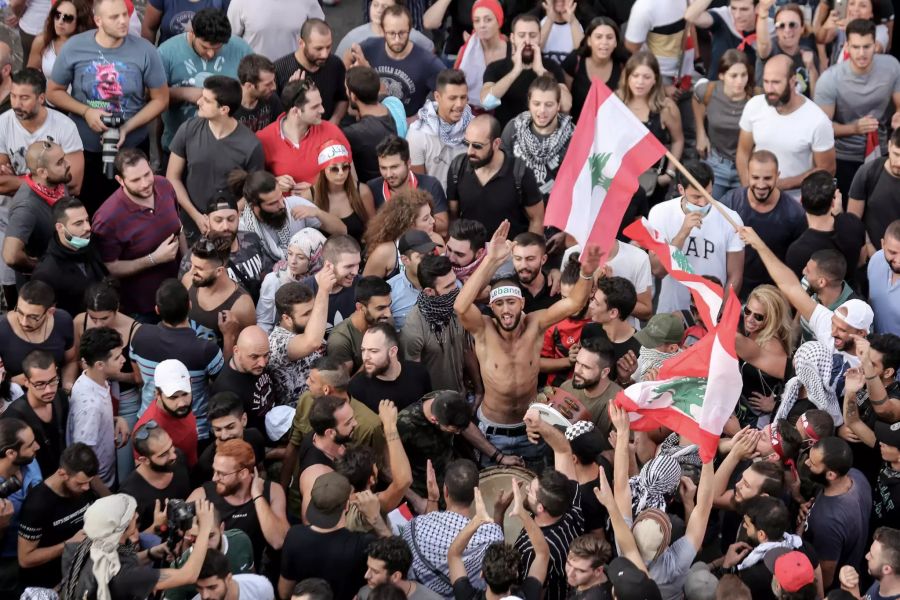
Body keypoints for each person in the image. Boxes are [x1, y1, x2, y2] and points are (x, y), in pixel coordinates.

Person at [454, 220, 601, 467]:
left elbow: (574, 303)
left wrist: (586, 272)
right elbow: (460, 306)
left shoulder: (536, 323)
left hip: (532, 426)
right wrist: (491, 260)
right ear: (491, 308)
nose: (506, 310)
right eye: (499, 304)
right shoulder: (483, 329)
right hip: (494, 433)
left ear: (522, 303)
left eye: (511, 302)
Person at [46, 0, 169, 210]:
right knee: (89, 207)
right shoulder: (75, 47)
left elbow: (161, 99)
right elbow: (53, 92)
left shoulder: (145, 50)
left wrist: (126, 128)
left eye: (125, 15)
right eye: (115, 17)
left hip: (132, 146)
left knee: (134, 207)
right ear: (98, 20)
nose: (123, 21)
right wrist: (86, 112)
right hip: (84, 147)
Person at [0, 68, 83, 299]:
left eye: (24, 97)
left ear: (41, 98)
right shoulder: (3, 123)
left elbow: (73, 183)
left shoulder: (64, 127)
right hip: (9, 215)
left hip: (54, 219)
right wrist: (41, 180)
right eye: (14, 96)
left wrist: (17, 180)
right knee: (12, 278)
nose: (16, 103)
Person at [58, 495, 218, 600]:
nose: (136, 515)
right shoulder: (125, 576)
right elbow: (187, 575)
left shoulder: (84, 544)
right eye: (130, 515)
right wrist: (205, 528)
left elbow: (118, 562)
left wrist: (152, 553)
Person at [167, 76, 265, 242]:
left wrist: (225, 218)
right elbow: (172, 177)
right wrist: (197, 216)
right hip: (191, 223)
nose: (199, 102)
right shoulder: (188, 129)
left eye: (206, 100)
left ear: (224, 110)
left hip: (230, 230)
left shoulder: (251, 145)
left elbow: (253, 191)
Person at [92, 148, 184, 320]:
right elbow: (110, 267)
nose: (145, 183)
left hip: (180, 292)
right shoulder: (107, 218)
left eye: (147, 174)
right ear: (120, 180)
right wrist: (154, 259)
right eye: (135, 180)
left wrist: (187, 265)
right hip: (143, 308)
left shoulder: (164, 185)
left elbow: (179, 226)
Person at [814, 18, 900, 198]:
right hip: (844, 156)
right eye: (855, 47)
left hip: (883, 152)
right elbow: (820, 129)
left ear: (875, 44)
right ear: (847, 46)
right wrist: (853, 128)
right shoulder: (830, 79)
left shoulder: (892, 66)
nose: (861, 53)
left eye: (867, 47)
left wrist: (898, 115)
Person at [130, 279, 224, 442]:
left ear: (157, 310)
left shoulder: (139, 336)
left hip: (149, 432)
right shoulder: (206, 349)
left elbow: (138, 378)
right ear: (189, 305)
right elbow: (222, 388)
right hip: (195, 432)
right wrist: (229, 336)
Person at [648, 160, 745, 313]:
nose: (703, 202)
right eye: (696, 197)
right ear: (681, 189)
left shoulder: (730, 218)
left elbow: (735, 275)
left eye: (708, 195)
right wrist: (683, 233)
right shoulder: (660, 212)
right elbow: (658, 270)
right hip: (671, 312)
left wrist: (722, 312)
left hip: (711, 311)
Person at [737, 54, 836, 199]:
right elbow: (743, 152)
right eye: (766, 81)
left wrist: (781, 184)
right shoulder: (754, 106)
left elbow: (827, 169)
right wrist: (749, 190)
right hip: (755, 200)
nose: (769, 88)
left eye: (776, 82)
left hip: (796, 202)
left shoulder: (817, 120)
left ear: (792, 81)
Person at [402, 459, 505, 597]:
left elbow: (430, 527)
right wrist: (499, 512)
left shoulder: (414, 526)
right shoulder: (491, 534)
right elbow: (498, 562)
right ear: (476, 493)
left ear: (445, 490)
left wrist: (432, 498)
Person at [279, 472, 388, 600]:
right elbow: (397, 558)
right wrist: (376, 518)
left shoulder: (294, 536)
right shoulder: (362, 544)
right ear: (347, 505)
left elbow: (284, 591)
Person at [157, 9, 254, 152]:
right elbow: (151, 97)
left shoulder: (241, 49)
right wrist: (184, 93)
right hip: (180, 147)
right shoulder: (166, 52)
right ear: (192, 33)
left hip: (230, 148)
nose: (210, 54)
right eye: (205, 47)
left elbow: (253, 90)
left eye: (218, 48)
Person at [188, 438, 289, 567]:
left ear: (243, 473)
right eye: (214, 470)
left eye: (222, 474)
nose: (214, 478)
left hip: (256, 571)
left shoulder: (273, 491)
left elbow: (278, 541)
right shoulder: (202, 495)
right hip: (215, 571)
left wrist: (257, 496)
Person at [719, 150, 808, 295]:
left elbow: (798, 267)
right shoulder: (730, 203)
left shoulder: (795, 214)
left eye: (767, 178)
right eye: (755, 177)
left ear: (777, 176)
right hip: (733, 290)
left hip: (772, 295)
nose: (761, 185)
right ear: (747, 174)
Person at [448, 115, 544, 240]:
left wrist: (526, 254)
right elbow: (453, 216)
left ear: (496, 143)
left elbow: (537, 218)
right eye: (467, 143)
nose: (469, 151)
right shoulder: (458, 167)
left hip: (508, 254)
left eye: (477, 146)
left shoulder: (520, 173)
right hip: (469, 254)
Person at [16, 442, 98, 589]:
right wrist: (68, 544)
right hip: (49, 585)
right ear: (62, 474)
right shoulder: (37, 504)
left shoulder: (82, 486)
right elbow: (25, 558)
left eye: (89, 483)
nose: (86, 488)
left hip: (79, 575)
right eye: (80, 483)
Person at [450, 484, 549, 600]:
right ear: (516, 574)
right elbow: (543, 553)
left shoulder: (467, 597)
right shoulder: (527, 596)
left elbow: (453, 554)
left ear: (482, 574)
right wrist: (522, 514)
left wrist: (477, 520)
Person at [180, 186, 272, 304]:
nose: (226, 227)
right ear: (207, 220)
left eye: (231, 219)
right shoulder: (195, 259)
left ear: (238, 216)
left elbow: (269, 276)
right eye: (218, 220)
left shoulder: (252, 239)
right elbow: (191, 303)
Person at [351, 5, 445, 117]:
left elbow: (450, 95)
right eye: (391, 33)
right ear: (382, 30)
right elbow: (347, 63)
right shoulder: (369, 48)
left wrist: (418, 118)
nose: (397, 39)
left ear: (410, 29)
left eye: (402, 33)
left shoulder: (427, 62)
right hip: (372, 123)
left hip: (406, 129)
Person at [256, 78, 352, 188]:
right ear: (296, 111)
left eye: (321, 104)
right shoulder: (264, 139)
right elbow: (255, 185)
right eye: (315, 107)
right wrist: (274, 183)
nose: (322, 110)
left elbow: (351, 180)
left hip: (325, 204)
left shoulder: (332, 132)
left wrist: (314, 191)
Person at [616, 51, 684, 204]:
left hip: (653, 182)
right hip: (620, 180)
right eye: (635, 76)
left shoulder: (666, 107)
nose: (640, 82)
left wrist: (669, 174)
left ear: (655, 79)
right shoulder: (616, 102)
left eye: (646, 77)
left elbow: (677, 140)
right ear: (627, 77)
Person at [804, 436, 872, 588]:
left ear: (831, 475)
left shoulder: (828, 524)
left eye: (813, 463)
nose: (807, 463)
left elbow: (825, 578)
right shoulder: (856, 476)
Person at [234, 169, 342, 265]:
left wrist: (318, 213)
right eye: (273, 203)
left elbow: (342, 230)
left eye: (281, 196)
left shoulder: (295, 204)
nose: (281, 205)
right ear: (254, 206)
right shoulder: (243, 229)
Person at [481, 14, 571, 128]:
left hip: (544, 139)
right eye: (521, 35)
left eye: (532, 35)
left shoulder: (551, 67)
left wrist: (541, 71)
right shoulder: (495, 68)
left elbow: (566, 105)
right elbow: (487, 103)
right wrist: (515, 71)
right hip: (507, 138)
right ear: (513, 38)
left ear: (540, 38)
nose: (527, 41)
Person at [2, 140, 74, 281]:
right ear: (42, 172)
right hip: (43, 289)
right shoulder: (26, 207)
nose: (68, 164)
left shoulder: (57, 184)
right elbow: (10, 256)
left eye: (64, 158)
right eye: (60, 162)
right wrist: (41, 267)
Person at [67, 326, 126, 487]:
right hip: (100, 484)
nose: (123, 360)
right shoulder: (90, 408)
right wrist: (105, 495)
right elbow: (83, 462)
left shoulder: (92, 380)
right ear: (100, 364)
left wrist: (116, 419)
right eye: (117, 357)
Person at [401, 254, 468, 394]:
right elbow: (414, 377)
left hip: (463, 394)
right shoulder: (414, 325)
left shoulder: (459, 309)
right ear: (429, 291)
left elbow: (467, 350)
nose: (455, 288)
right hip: (436, 404)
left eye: (454, 282)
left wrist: (479, 389)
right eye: (448, 286)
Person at [501, 75, 574, 200]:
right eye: (536, 104)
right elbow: (501, 172)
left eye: (549, 105)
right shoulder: (513, 128)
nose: (542, 110)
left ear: (558, 105)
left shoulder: (573, 136)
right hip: (519, 206)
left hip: (557, 208)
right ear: (529, 102)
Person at [693, 50, 755, 198]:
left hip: (746, 167)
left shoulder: (755, 97)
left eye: (743, 75)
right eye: (733, 76)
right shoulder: (708, 90)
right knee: (708, 209)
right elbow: (696, 100)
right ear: (721, 75)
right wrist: (701, 133)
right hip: (715, 163)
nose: (740, 81)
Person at [31, 197, 108, 316]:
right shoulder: (47, 273)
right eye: (78, 223)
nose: (87, 227)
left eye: (87, 220)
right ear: (60, 228)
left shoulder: (94, 243)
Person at [784, 171, 866, 281]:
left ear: (801, 201)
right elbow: (861, 261)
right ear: (833, 202)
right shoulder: (854, 225)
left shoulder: (796, 250)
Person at [267, 268, 335, 402]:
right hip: (299, 414)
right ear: (287, 318)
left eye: (312, 310)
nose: (313, 317)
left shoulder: (306, 328)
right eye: (305, 314)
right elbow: (312, 342)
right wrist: (323, 291)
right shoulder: (277, 342)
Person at [163, 509, 257, 600]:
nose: (204, 545)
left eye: (210, 536)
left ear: (222, 528)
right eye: (196, 538)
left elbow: (252, 579)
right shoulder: (178, 569)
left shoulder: (241, 541)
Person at [184, 235, 256, 354]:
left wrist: (229, 336)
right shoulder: (188, 281)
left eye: (199, 268)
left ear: (219, 271)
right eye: (191, 264)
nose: (191, 272)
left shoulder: (242, 306)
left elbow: (243, 357)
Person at [406, 68, 472, 196]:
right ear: (437, 97)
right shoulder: (418, 133)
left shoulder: (474, 127)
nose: (459, 104)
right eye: (452, 98)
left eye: (463, 97)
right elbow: (418, 185)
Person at [0, 280, 76, 388]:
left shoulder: (63, 321)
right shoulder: (2, 329)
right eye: (20, 312)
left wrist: (67, 388)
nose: (24, 322)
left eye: (33, 317)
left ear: (50, 312)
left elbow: (71, 361)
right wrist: (13, 381)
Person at [118, 421, 191, 531]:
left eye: (171, 446)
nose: (173, 455)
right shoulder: (129, 494)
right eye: (163, 455)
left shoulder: (178, 458)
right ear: (145, 460)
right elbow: (128, 543)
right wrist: (156, 527)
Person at [3, 350, 67, 477]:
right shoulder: (13, 417)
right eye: (40, 384)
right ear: (26, 381)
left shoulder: (61, 398)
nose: (49, 390)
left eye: (53, 380)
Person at [272, 19, 347, 123]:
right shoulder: (279, 70)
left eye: (328, 47)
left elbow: (342, 98)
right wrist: (291, 95)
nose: (325, 54)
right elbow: (274, 113)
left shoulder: (335, 64)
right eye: (318, 49)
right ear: (301, 43)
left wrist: (334, 121)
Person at [349, 323, 432, 412]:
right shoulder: (357, 387)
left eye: (373, 351)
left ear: (393, 352)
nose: (365, 357)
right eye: (363, 350)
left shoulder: (419, 373)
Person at [361, 189, 442, 280]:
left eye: (431, 214)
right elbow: (364, 289)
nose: (433, 221)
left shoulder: (437, 240)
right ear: (408, 224)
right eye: (426, 218)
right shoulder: (384, 252)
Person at [0, 419, 42, 595]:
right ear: (11, 453)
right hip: (8, 563)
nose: (37, 446)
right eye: (30, 444)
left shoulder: (28, 460)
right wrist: (2, 525)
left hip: (37, 551)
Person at [366, 136, 448, 225]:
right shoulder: (371, 189)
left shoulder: (431, 185)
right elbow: (371, 231)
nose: (388, 174)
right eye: (383, 168)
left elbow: (443, 226)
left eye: (394, 167)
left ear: (408, 163)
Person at [134, 359, 200, 467]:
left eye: (185, 394)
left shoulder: (180, 409)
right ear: (157, 394)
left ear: (190, 383)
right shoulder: (147, 431)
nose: (181, 403)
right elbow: (145, 474)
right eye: (173, 397)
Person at [257, 228, 326, 333]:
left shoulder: (323, 280)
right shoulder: (275, 279)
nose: (293, 261)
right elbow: (264, 322)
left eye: (301, 257)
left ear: (315, 259)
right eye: (290, 253)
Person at [310, 140, 375, 244]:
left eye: (345, 167)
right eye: (334, 169)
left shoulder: (362, 192)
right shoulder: (309, 195)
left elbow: (373, 230)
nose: (341, 173)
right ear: (323, 170)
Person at [209, 327, 273, 433]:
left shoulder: (256, 365)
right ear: (236, 351)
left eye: (266, 355)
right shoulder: (226, 389)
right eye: (254, 357)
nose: (262, 363)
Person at [341, 66, 397, 185]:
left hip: (371, 192)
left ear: (354, 96)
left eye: (346, 90)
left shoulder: (354, 132)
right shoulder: (387, 110)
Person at [562, 17, 624, 123]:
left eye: (609, 37)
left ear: (616, 42)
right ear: (589, 41)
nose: (604, 42)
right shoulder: (574, 61)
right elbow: (564, 102)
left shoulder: (623, 66)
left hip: (611, 130)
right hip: (577, 129)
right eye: (598, 37)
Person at [849, 128, 900, 254]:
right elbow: (853, 220)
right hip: (872, 253)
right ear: (888, 146)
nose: (899, 163)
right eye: (896, 154)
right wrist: (868, 246)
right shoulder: (868, 172)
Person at [327, 276, 393, 374]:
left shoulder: (384, 320)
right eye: (380, 308)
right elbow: (343, 386)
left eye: (389, 305)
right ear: (360, 307)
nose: (388, 314)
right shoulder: (340, 340)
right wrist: (372, 359)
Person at [684, 0, 766, 78]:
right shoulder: (723, 16)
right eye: (733, 8)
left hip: (748, 89)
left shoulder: (767, 28)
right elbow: (690, 16)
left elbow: (764, 53)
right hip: (716, 88)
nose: (737, 15)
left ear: (757, 8)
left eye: (744, 9)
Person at [451, 0, 509, 111]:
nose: (482, 25)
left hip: (503, 112)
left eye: (488, 20)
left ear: (499, 21)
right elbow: (454, 83)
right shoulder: (466, 50)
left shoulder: (511, 51)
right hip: (467, 111)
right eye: (477, 21)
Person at [299, 234, 361, 334]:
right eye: (349, 266)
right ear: (328, 265)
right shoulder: (302, 292)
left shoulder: (362, 285)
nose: (355, 272)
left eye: (357, 264)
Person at [755, 2, 819, 98]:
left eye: (792, 25)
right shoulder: (771, 49)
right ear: (776, 29)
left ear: (802, 28)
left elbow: (816, 98)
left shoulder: (809, 53)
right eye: (781, 25)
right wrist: (763, 13)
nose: (787, 30)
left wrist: (811, 68)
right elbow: (763, 44)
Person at [225, 0, 323, 60]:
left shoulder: (309, 1)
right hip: (254, 77)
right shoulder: (240, 2)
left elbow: (320, 36)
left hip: (294, 76)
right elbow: (230, 41)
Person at [336, 0, 434, 59]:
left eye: (385, 6)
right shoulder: (353, 37)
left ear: (397, 9)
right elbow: (338, 64)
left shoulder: (413, 37)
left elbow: (429, 49)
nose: (378, 10)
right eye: (375, 5)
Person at [25, 0, 92, 82]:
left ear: (80, 21)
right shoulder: (42, 41)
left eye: (67, 18)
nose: (60, 22)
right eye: (57, 15)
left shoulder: (89, 47)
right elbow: (30, 77)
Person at [623, 0, 689, 83]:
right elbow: (632, 46)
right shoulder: (643, 7)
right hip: (659, 74)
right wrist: (661, 85)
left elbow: (690, 26)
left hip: (686, 67)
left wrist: (697, 60)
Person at [358, 537, 440, 600]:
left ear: (396, 576)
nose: (366, 575)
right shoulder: (364, 593)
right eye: (368, 567)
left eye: (375, 571)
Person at [388, 230, 437, 329]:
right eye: (423, 257)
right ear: (405, 260)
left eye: (431, 255)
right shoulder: (390, 291)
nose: (429, 260)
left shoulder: (447, 281)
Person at [837, 527, 900, 600]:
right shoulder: (882, 580)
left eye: (872, 555)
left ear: (886, 569)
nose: (867, 556)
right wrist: (848, 581)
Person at [193, 548, 274, 600]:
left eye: (212, 587)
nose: (204, 596)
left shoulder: (259, 587)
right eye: (199, 588)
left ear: (228, 579)